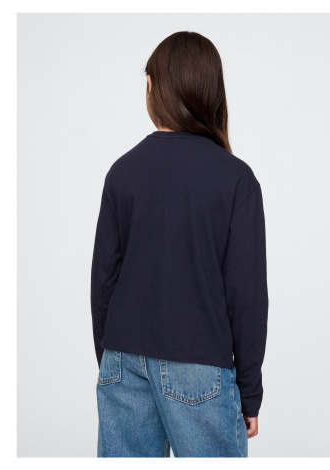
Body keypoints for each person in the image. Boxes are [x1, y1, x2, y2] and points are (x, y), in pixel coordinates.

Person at [90, 31, 269, 458]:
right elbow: (246, 295)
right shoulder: (235, 179)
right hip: (199, 365)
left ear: (152, 87)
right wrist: (249, 390)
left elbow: (103, 281)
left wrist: (112, 361)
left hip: (122, 357)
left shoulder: (122, 172)